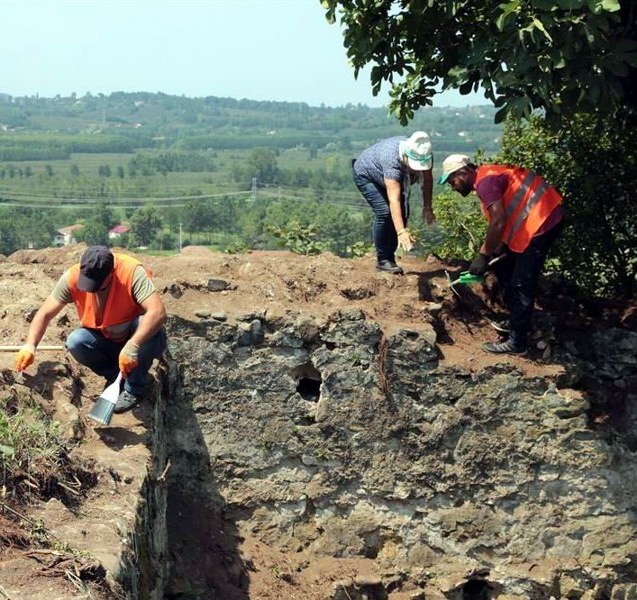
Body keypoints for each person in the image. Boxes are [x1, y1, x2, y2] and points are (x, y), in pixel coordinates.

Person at [15, 245, 167, 413]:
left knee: (146, 325)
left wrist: (133, 345)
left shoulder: (131, 272)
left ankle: (135, 388)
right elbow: (44, 314)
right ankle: (116, 377)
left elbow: (158, 312)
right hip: (105, 338)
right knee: (76, 341)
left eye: (97, 286)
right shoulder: (72, 276)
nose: (91, 291)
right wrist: (30, 345)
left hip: (133, 337)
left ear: (111, 274)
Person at [439, 155, 564, 355]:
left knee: (522, 281)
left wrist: (483, 255)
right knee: (503, 265)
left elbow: (498, 221)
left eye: (452, 181)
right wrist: (493, 255)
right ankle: (516, 319)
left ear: (464, 172)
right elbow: (509, 219)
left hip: (542, 222)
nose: (453, 187)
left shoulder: (485, 183)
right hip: (541, 217)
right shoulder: (488, 175)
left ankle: (518, 342)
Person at [352, 131, 434, 274]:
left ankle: (390, 258)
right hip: (367, 175)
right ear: (406, 156)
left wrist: (427, 207)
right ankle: (383, 260)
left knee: (401, 214)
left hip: (389, 177)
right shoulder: (391, 158)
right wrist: (401, 232)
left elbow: (427, 181)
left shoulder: (424, 152)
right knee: (385, 212)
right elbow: (393, 199)